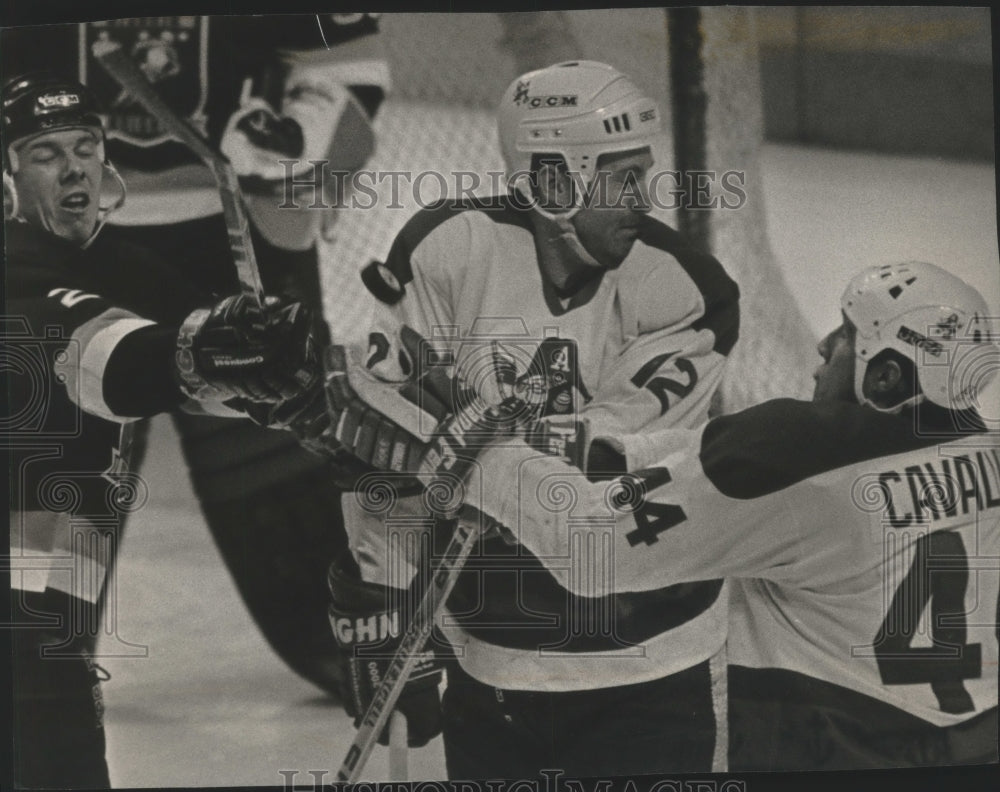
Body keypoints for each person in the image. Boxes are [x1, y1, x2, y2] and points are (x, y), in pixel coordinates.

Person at [321, 60, 741, 777]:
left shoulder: (683, 289)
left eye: (645, 171)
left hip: (648, 657)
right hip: (491, 654)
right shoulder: (448, 253)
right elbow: (387, 447)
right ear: (550, 183)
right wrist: (382, 597)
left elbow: (601, 471)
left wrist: (457, 440)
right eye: (620, 177)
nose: (645, 197)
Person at [455, 260, 998, 770]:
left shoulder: (802, 455)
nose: (824, 344)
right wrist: (614, 457)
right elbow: (727, 460)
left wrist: (478, 453)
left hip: (835, 751)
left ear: (883, 377)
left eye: (846, 337)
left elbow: (591, 547)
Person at [1, 13, 390, 696]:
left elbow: (352, 63)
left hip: (235, 229)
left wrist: (301, 143)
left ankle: (361, 642)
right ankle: (35, 668)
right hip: (46, 239)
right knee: (50, 486)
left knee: (289, 478)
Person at [3, 72, 319, 789]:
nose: (76, 165)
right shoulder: (14, 269)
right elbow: (107, 354)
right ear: (7, 176)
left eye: (86, 145)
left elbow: (198, 359)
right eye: (46, 153)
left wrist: (268, 370)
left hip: (46, 621)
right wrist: (200, 352)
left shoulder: (109, 263)